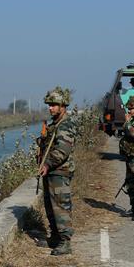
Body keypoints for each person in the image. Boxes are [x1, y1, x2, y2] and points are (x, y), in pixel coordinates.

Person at [37, 86, 77, 255]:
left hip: (60, 171)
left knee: (61, 207)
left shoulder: (66, 125)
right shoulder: (55, 124)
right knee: (50, 206)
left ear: (63, 106)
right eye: (49, 104)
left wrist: (47, 164)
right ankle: (55, 237)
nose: (50, 107)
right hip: (51, 171)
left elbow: (62, 151)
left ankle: (65, 242)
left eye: (53, 105)